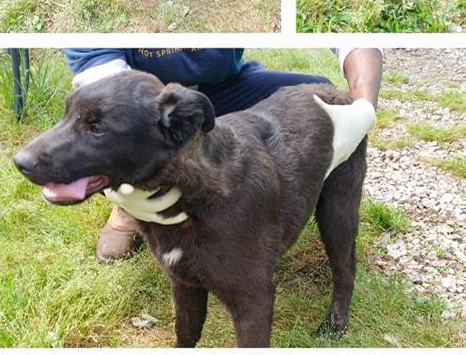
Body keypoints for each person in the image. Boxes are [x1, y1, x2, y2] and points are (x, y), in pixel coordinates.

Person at [63, 47, 382, 262]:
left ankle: (259, 197)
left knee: (317, 95)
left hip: (220, 88)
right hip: (145, 107)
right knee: (125, 135)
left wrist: (364, 108)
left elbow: (352, 41)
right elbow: (103, 90)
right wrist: (122, 171)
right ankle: (128, 208)